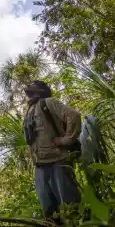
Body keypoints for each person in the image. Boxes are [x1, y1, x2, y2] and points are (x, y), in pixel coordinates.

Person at [22, 80, 83, 219]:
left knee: (70, 205)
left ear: (40, 90)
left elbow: (73, 115)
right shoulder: (29, 110)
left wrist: (65, 140)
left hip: (58, 161)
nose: (28, 87)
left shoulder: (48, 102)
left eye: (33, 85)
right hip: (40, 165)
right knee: (49, 211)